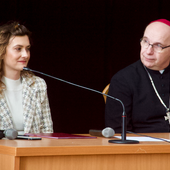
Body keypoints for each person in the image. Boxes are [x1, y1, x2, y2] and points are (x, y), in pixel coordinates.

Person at [105, 19, 170, 133]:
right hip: (143, 146)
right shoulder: (123, 79)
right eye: (145, 41)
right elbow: (119, 132)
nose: (148, 51)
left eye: (158, 45)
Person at [0, 21, 53, 135]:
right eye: (18, 48)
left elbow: (48, 133)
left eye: (27, 48)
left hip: (33, 151)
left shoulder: (38, 84)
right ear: (2, 52)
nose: (25, 54)